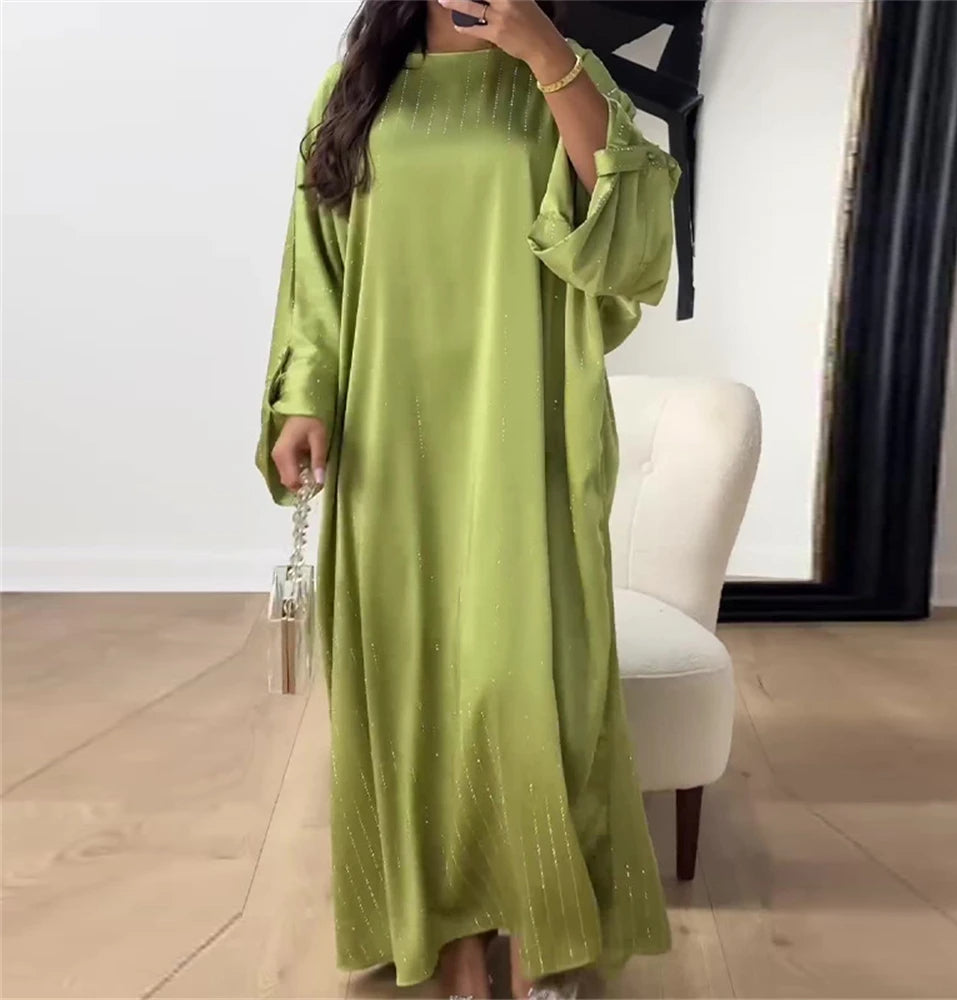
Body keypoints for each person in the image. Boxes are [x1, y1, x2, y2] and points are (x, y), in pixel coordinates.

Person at [255, 0, 680, 996]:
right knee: (410, 680)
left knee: (531, 678)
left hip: (529, 421)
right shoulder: (359, 87)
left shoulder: (564, 73)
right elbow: (317, 260)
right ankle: (446, 935)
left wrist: (544, 55)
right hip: (390, 430)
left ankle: (542, 927)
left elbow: (628, 238)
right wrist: (305, 396)